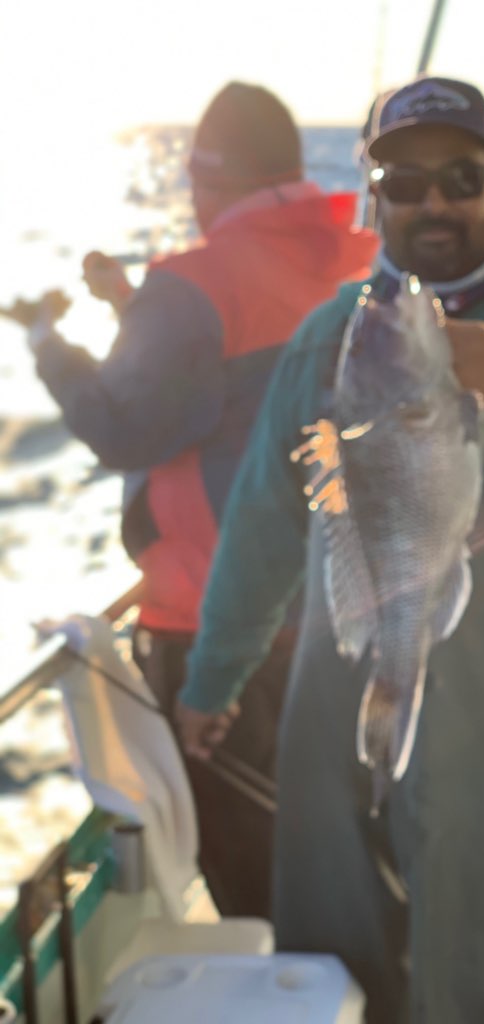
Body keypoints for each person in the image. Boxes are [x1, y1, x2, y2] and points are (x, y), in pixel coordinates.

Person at [177, 75, 484, 1022]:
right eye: (405, 182)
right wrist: (214, 679)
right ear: (374, 194)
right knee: (331, 911)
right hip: (351, 652)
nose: (435, 201)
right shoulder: (334, 334)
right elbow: (262, 522)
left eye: (460, 175)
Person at [18, 81, 378, 918]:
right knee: (340, 843)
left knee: (253, 872)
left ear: (208, 177)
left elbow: (124, 425)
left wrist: (47, 340)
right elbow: (234, 381)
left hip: (220, 628)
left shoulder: (194, 284)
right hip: (339, 612)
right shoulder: (351, 261)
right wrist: (133, 308)